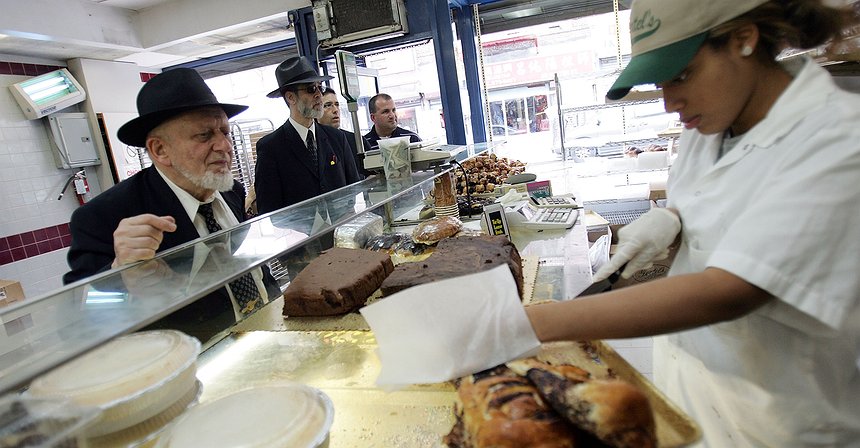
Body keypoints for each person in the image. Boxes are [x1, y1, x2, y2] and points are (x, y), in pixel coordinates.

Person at [371, 0, 860, 445]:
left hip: (778, 421)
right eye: (660, 82)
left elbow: (731, 290)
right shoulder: (715, 119)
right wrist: (671, 219)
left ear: (743, 39)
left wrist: (523, 323)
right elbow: (714, 199)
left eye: (681, 75)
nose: (669, 102)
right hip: (688, 398)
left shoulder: (837, 140)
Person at [64, 68, 279, 341]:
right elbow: (80, 321)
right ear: (160, 150)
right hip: (199, 353)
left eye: (225, 132)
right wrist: (120, 275)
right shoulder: (107, 215)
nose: (224, 145)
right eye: (204, 135)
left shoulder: (231, 192)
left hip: (268, 331)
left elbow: (250, 269)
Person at [254, 56, 361, 214]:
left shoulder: (336, 138)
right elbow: (269, 209)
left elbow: (354, 189)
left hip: (342, 226)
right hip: (299, 229)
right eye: (311, 89)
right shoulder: (271, 148)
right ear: (290, 97)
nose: (318, 95)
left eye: (320, 88)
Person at [318, 86, 371, 177]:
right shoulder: (315, 143)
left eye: (337, 104)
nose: (335, 110)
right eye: (328, 105)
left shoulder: (357, 141)